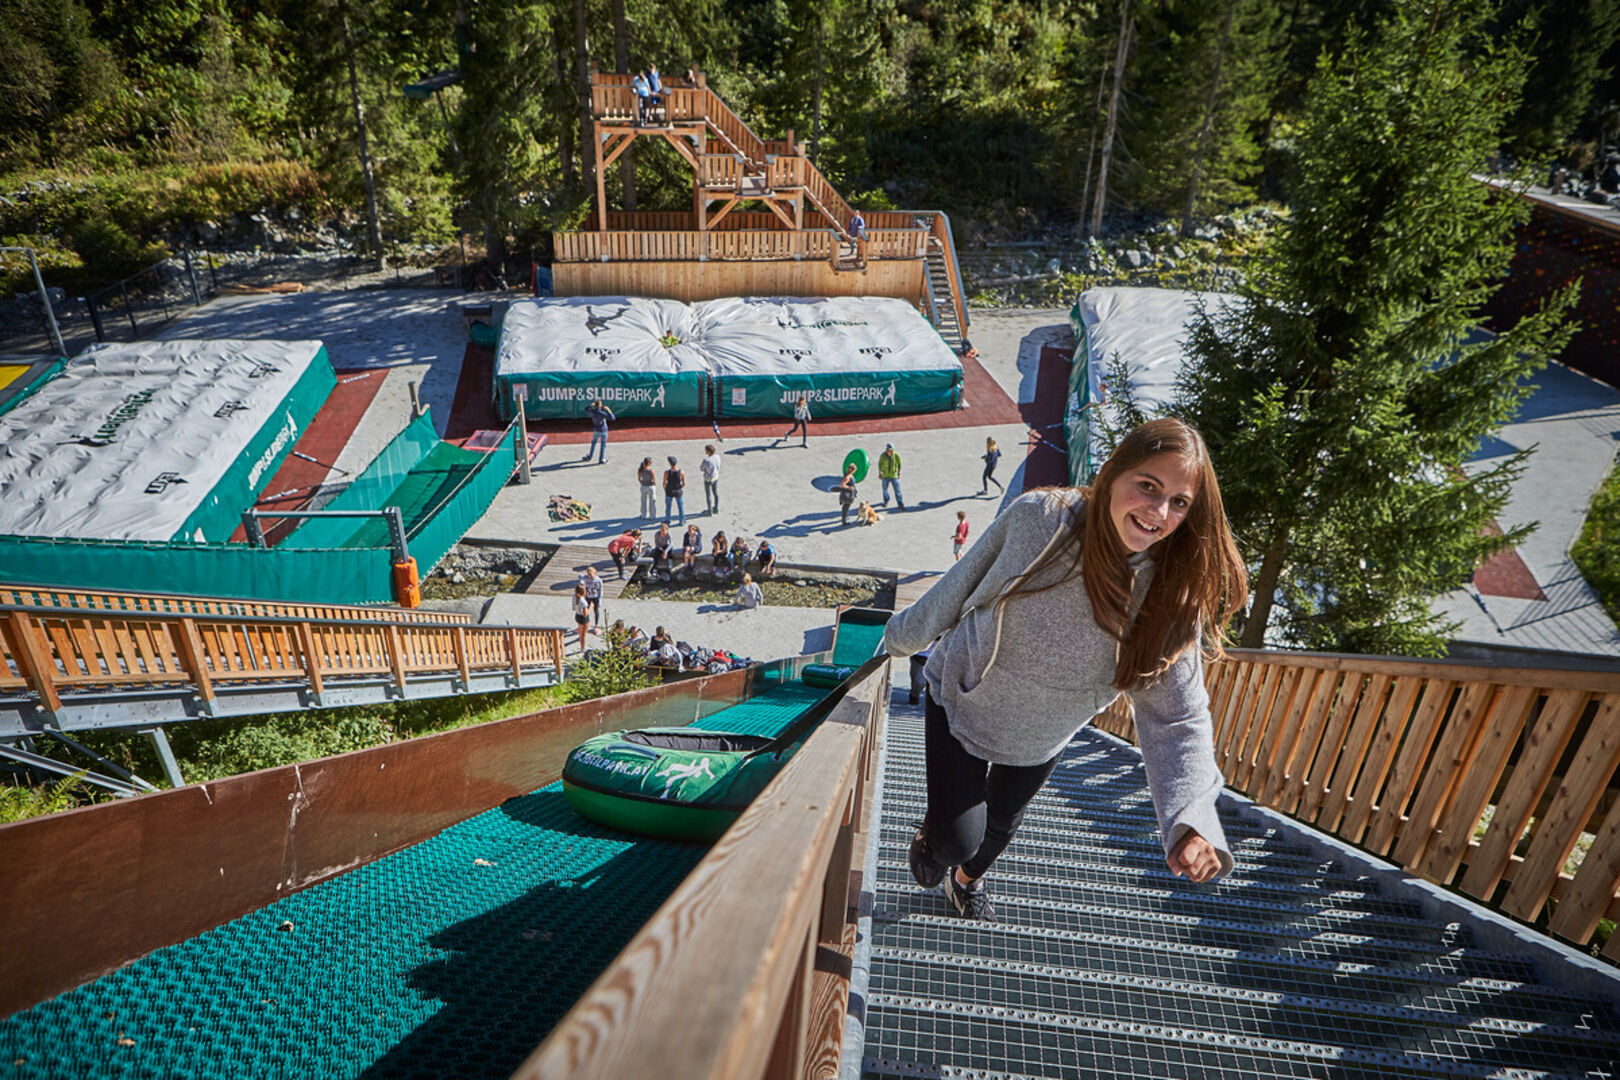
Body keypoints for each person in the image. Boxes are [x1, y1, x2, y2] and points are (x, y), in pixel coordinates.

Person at [883, 419, 1245, 922]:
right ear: (1114, 473)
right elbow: (961, 585)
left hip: (1042, 736)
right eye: (1148, 486)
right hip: (964, 697)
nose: (1158, 513)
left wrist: (1190, 819)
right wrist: (898, 639)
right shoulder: (1040, 520)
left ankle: (966, 885)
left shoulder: (1169, 596)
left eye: (1179, 502)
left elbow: (1178, 718)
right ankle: (939, 846)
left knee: (999, 829)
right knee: (954, 841)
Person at [584, 399, 615, 464]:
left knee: (594, 443)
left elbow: (586, 408)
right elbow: (613, 418)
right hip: (603, 431)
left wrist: (590, 405)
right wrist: (608, 409)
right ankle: (601, 459)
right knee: (603, 445)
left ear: (595, 405)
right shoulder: (602, 413)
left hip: (596, 430)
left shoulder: (592, 411)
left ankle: (590, 456)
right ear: (600, 405)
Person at [878, 443, 904, 509]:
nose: (890, 452)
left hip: (894, 475)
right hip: (885, 476)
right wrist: (880, 473)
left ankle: (900, 503)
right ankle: (886, 500)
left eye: (891, 450)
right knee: (885, 489)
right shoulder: (883, 456)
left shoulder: (896, 456)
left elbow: (899, 464)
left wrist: (898, 473)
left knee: (897, 490)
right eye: (889, 450)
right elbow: (880, 464)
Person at [578, 566, 605, 630]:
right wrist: (581, 580)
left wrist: (600, 600)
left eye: (591, 574)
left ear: (595, 573)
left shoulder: (598, 580)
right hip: (588, 597)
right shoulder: (585, 578)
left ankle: (596, 625)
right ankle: (584, 623)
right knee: (585, 611)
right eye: (588, 574)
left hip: (595, 597)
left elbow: (601, 590)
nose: (589, 576)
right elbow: (580, 577)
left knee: (596, 611)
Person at [663, 455, 687, 525]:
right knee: (680, 506)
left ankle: (667, 520)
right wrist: (679, 488)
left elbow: (664, 482)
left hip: (669, 491)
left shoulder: (667, 472)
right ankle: (682, 520)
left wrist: (665, 489)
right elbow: (684, 483)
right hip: (678, 491)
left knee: (668, 506)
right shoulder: (681, 472)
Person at [700, 443, 722, 515]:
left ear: (709, 451)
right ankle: (716, 507)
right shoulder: (717, 456)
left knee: (708, 495)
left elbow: (701, 468)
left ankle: (710, 511)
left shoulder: (706, 460)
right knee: (715, 492)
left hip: (708, 479)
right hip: (715, 477)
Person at [837, 462, 858, 526]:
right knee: (845, 507)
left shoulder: (849, 474)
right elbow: (842, 484)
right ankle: (844, 521)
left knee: (846, 507)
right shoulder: (848, 476)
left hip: (849, 494)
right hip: (847, 495)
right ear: (853, 470)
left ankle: (845, 518)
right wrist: (849, 487)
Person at [571, 584, 591, 652]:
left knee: (580, 628)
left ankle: (580, 638)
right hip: (584, 619)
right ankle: (582, 648)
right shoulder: (583, 602)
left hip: (577, 616)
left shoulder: (574, 596)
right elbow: (585, 614)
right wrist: (591, 607)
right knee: (583, 635)